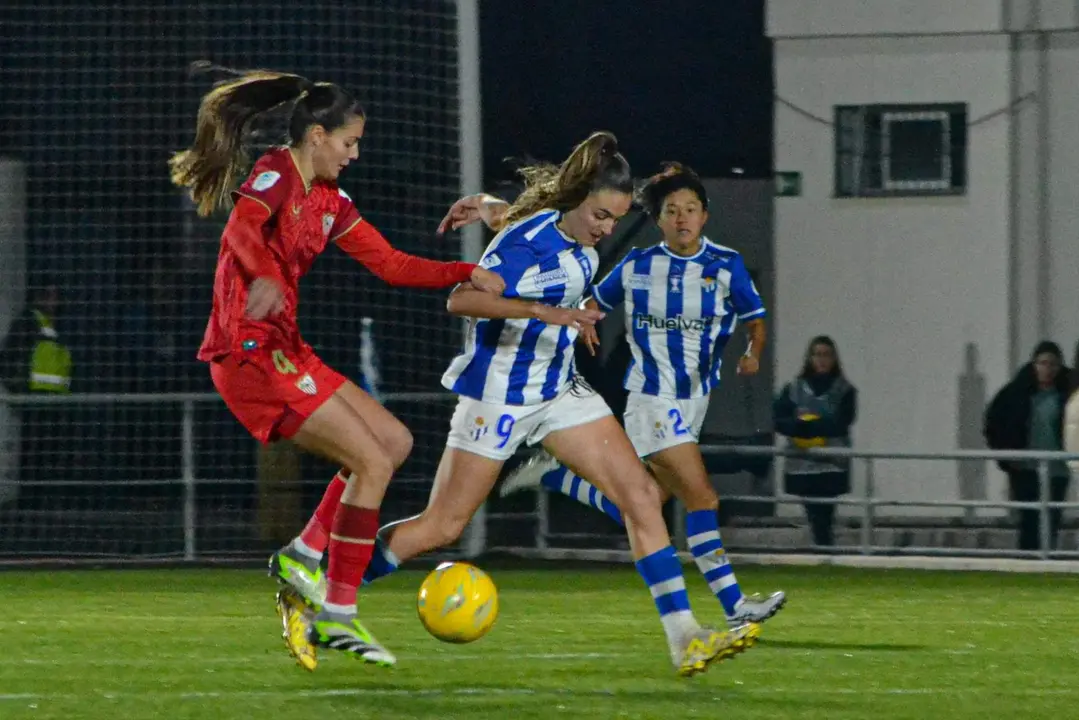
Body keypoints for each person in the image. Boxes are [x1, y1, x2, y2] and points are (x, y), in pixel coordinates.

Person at [348, 135, 761, 678]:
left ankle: (685, 638)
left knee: (640, 495)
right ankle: (329, 587)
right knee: (443, 527)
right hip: (498, 397)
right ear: (577, 199)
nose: (606, 230)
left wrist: (489, 205)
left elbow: (524, 223)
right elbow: (462, 299)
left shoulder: (566, 232)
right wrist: (544, 313)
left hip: (560, 392)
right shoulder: (526, 240)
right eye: (601, 216)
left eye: (614, 220)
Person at [169, 61, 505, 667]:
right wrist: (267, 275)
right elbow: (240, 234)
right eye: (349, 142)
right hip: (247, 352)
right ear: (317, 135)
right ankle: (336, 614)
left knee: (395, 441)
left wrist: (463, 271)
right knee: (371, 462)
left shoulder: (331, 201)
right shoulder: (276, 173)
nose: (354, 154)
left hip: (286, 349)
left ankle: (302, 555)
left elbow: (393, 265)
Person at [492, 163, 785, 627]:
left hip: (694, 401)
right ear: (660, 219)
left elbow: (756, 319)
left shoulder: (724, 265)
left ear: (704, 216)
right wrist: (581, 324)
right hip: (649, 399)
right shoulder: (637, 265)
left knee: (646, 500)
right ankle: (735, 606)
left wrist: (753, 352)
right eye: (672, 210)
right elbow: (594, 304)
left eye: (690, 209)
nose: (682, 218)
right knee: (703, 499)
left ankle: (553, 476)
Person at [985, 341, 1072, 551]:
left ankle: (1046, 559)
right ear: (1034, 364)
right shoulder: (1015, 393)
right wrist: (1007, 459)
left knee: (1051, 518)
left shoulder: (1067, 396)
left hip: (1058, 469)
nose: (1047, 369)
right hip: (1026, 469)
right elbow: (994, 424)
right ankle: (1027, 559)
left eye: (1053, 364)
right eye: (1043, 363)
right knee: (1029, 518)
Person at [773, 336, 857, 548]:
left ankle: (824, 549)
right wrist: (798, 427)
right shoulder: (793, 388)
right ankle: (822, 549)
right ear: (810, 358)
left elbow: (842, 421)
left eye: (826, 355)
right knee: (813, 512)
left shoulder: (844, 390)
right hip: (802, 464)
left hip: (831, 464)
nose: (822, 360)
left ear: (834, 359)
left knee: (825, 514)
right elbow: (779, 419)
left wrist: (812, 427)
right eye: (817, 355)